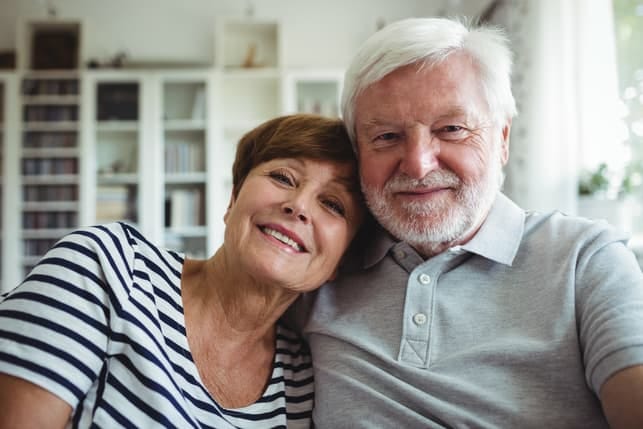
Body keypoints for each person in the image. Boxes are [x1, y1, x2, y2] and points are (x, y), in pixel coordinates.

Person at [298, 17, 643, 428]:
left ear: (502, 139)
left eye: (451, 129)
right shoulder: (318, 263)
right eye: (387, 137)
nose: (419, 165)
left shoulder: (587, 260)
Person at [0, 114, 365, 428]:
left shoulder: (300, 376)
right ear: (233, 199)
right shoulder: (108, 264)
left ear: (341, 262)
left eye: (333, 204)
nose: (298, 205)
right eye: (284, 178)